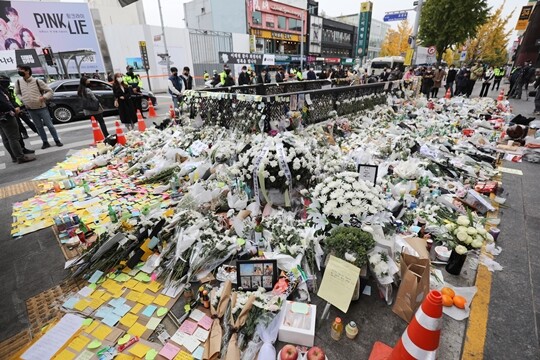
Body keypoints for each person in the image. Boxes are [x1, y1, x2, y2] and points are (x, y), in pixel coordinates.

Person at [15, 65, 62, 149]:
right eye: (18, 70)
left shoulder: (37, 81)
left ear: (27, 71)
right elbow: (17, 93)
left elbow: (50, 91)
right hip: (30, 109)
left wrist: (44, 97)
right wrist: (22, 99)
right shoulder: (18, 82)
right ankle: (45, 142)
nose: (19, 71)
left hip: (42, 108)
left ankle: (57, 140)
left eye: (21, 70)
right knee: (39, 127)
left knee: (50, 125)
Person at [0, 75, 35, 164]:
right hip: (6, 116)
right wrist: (13, 109)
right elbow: (4, 103)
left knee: (6, 138)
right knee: (13, 138)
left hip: (2, 117)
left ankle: (14, 156)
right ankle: (20, 156)